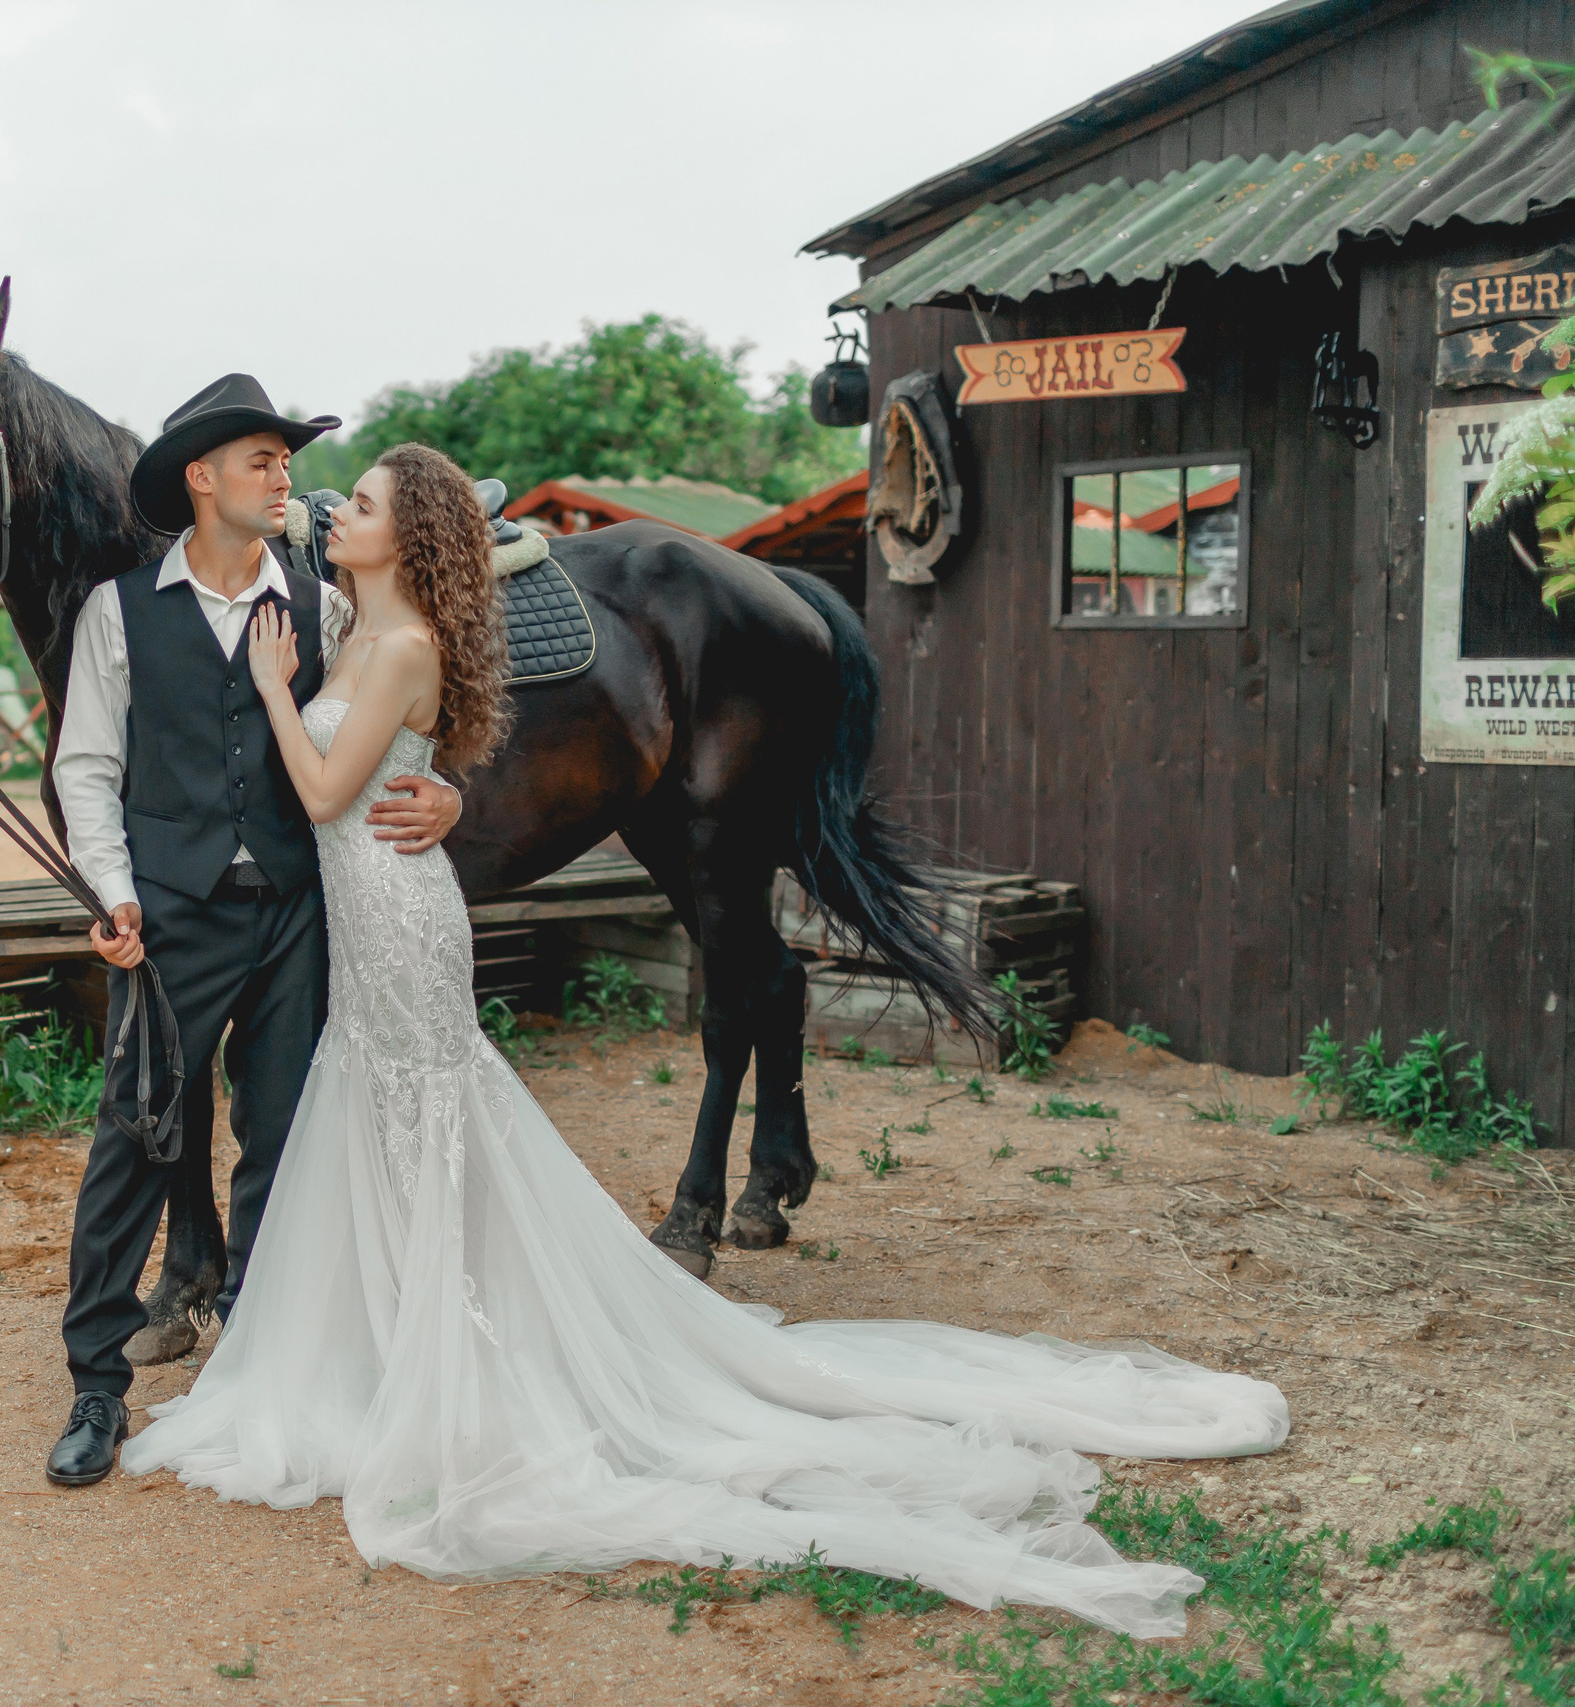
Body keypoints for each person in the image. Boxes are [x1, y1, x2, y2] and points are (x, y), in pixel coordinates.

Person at [121, 442, 1290, 1638]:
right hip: (370, 908)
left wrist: (289, 700)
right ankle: (389, 1338)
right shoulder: (341, 619)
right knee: (380, 1115)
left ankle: (458, 1350)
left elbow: (335, 785)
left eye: (360, 504)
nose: (334, 512)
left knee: (429, 1111)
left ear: (403, 538)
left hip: (398, 914)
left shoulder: (399, 642)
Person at [46, 375, 464, 1487]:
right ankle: (96, 1386)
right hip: (169, 916)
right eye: (261, 460)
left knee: (284, 1139)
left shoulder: (326, 606)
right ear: (202, 477)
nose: (285, 478)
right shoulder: (116, 611)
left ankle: (255, 1363)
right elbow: (86, 768)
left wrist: (449, 793)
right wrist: (113, 893)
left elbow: (411, 715)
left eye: (287, 459)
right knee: (136, 1133)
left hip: (297, 916)